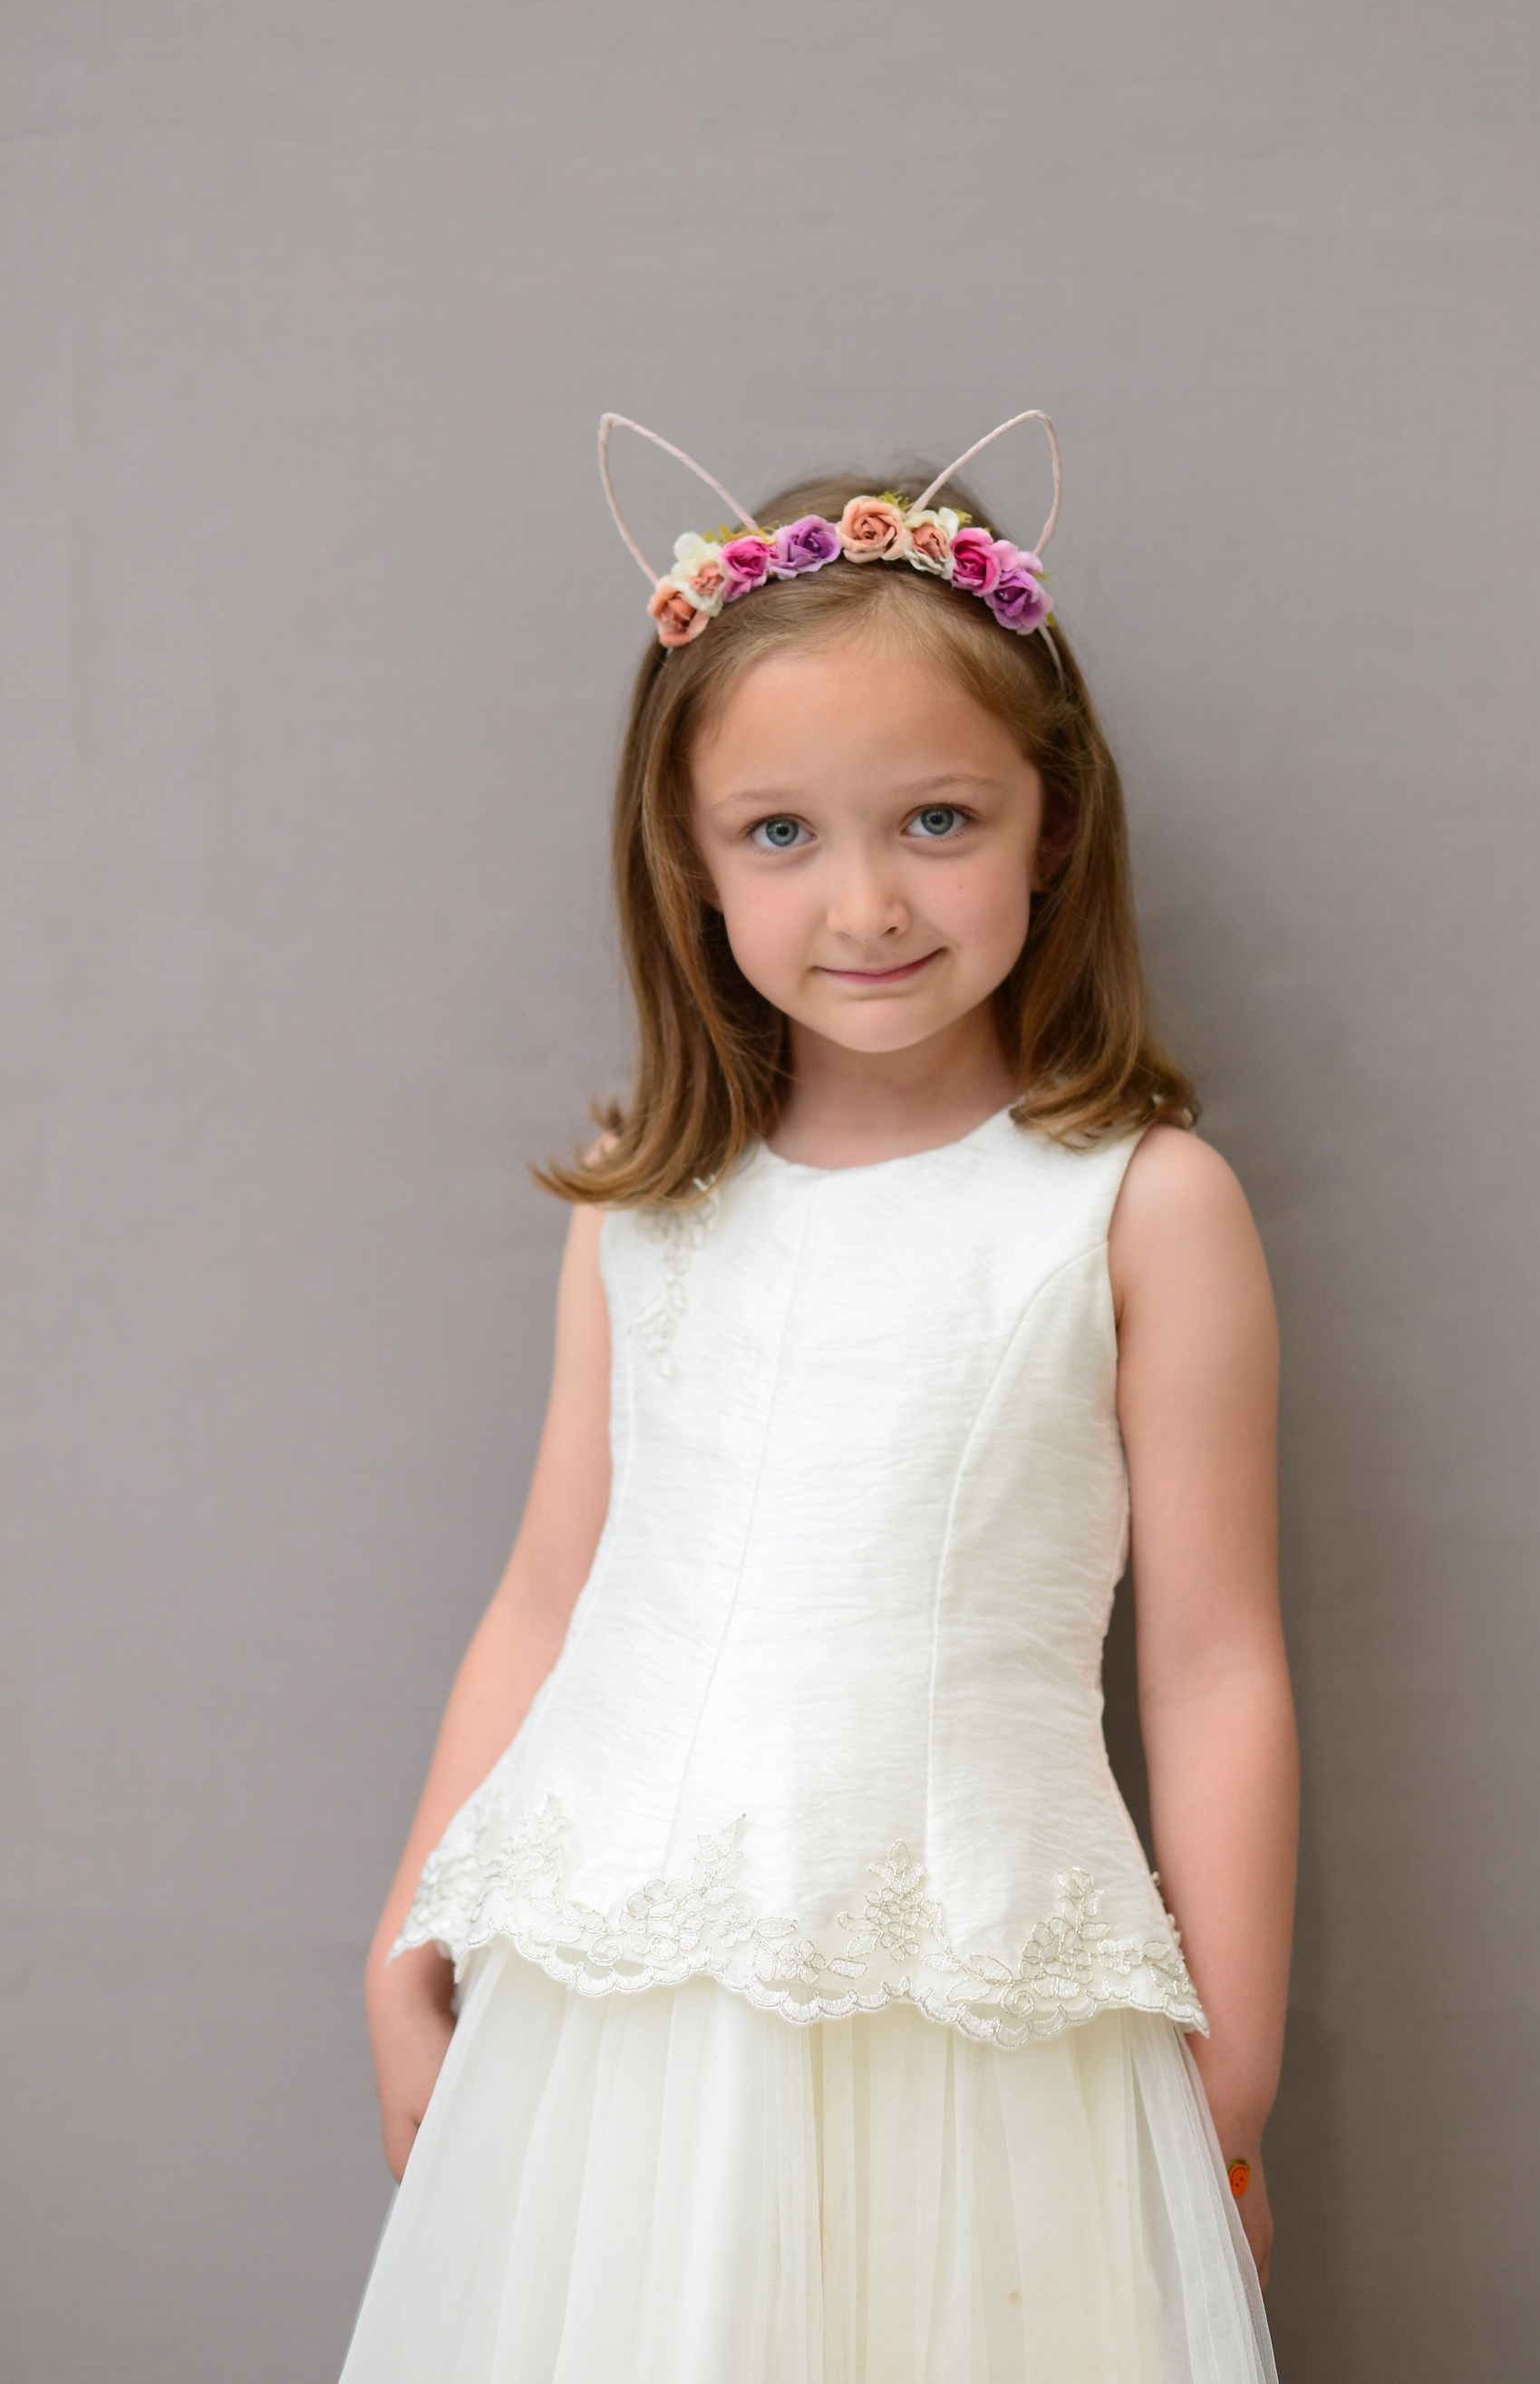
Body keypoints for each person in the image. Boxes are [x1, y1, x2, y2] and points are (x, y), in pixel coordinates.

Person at [340, 412, 1297, 2381]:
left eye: (937, 820)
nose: (866, 905)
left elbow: (1214, 1662)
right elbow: (552, 1595)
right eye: (783, 833)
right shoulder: (645, 1216)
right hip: (627, 2001)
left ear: (1052, 822)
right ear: (689, 863)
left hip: (988, 2005)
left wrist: (1235, 2077)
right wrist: (402, 1932)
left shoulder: (1136, 1206)